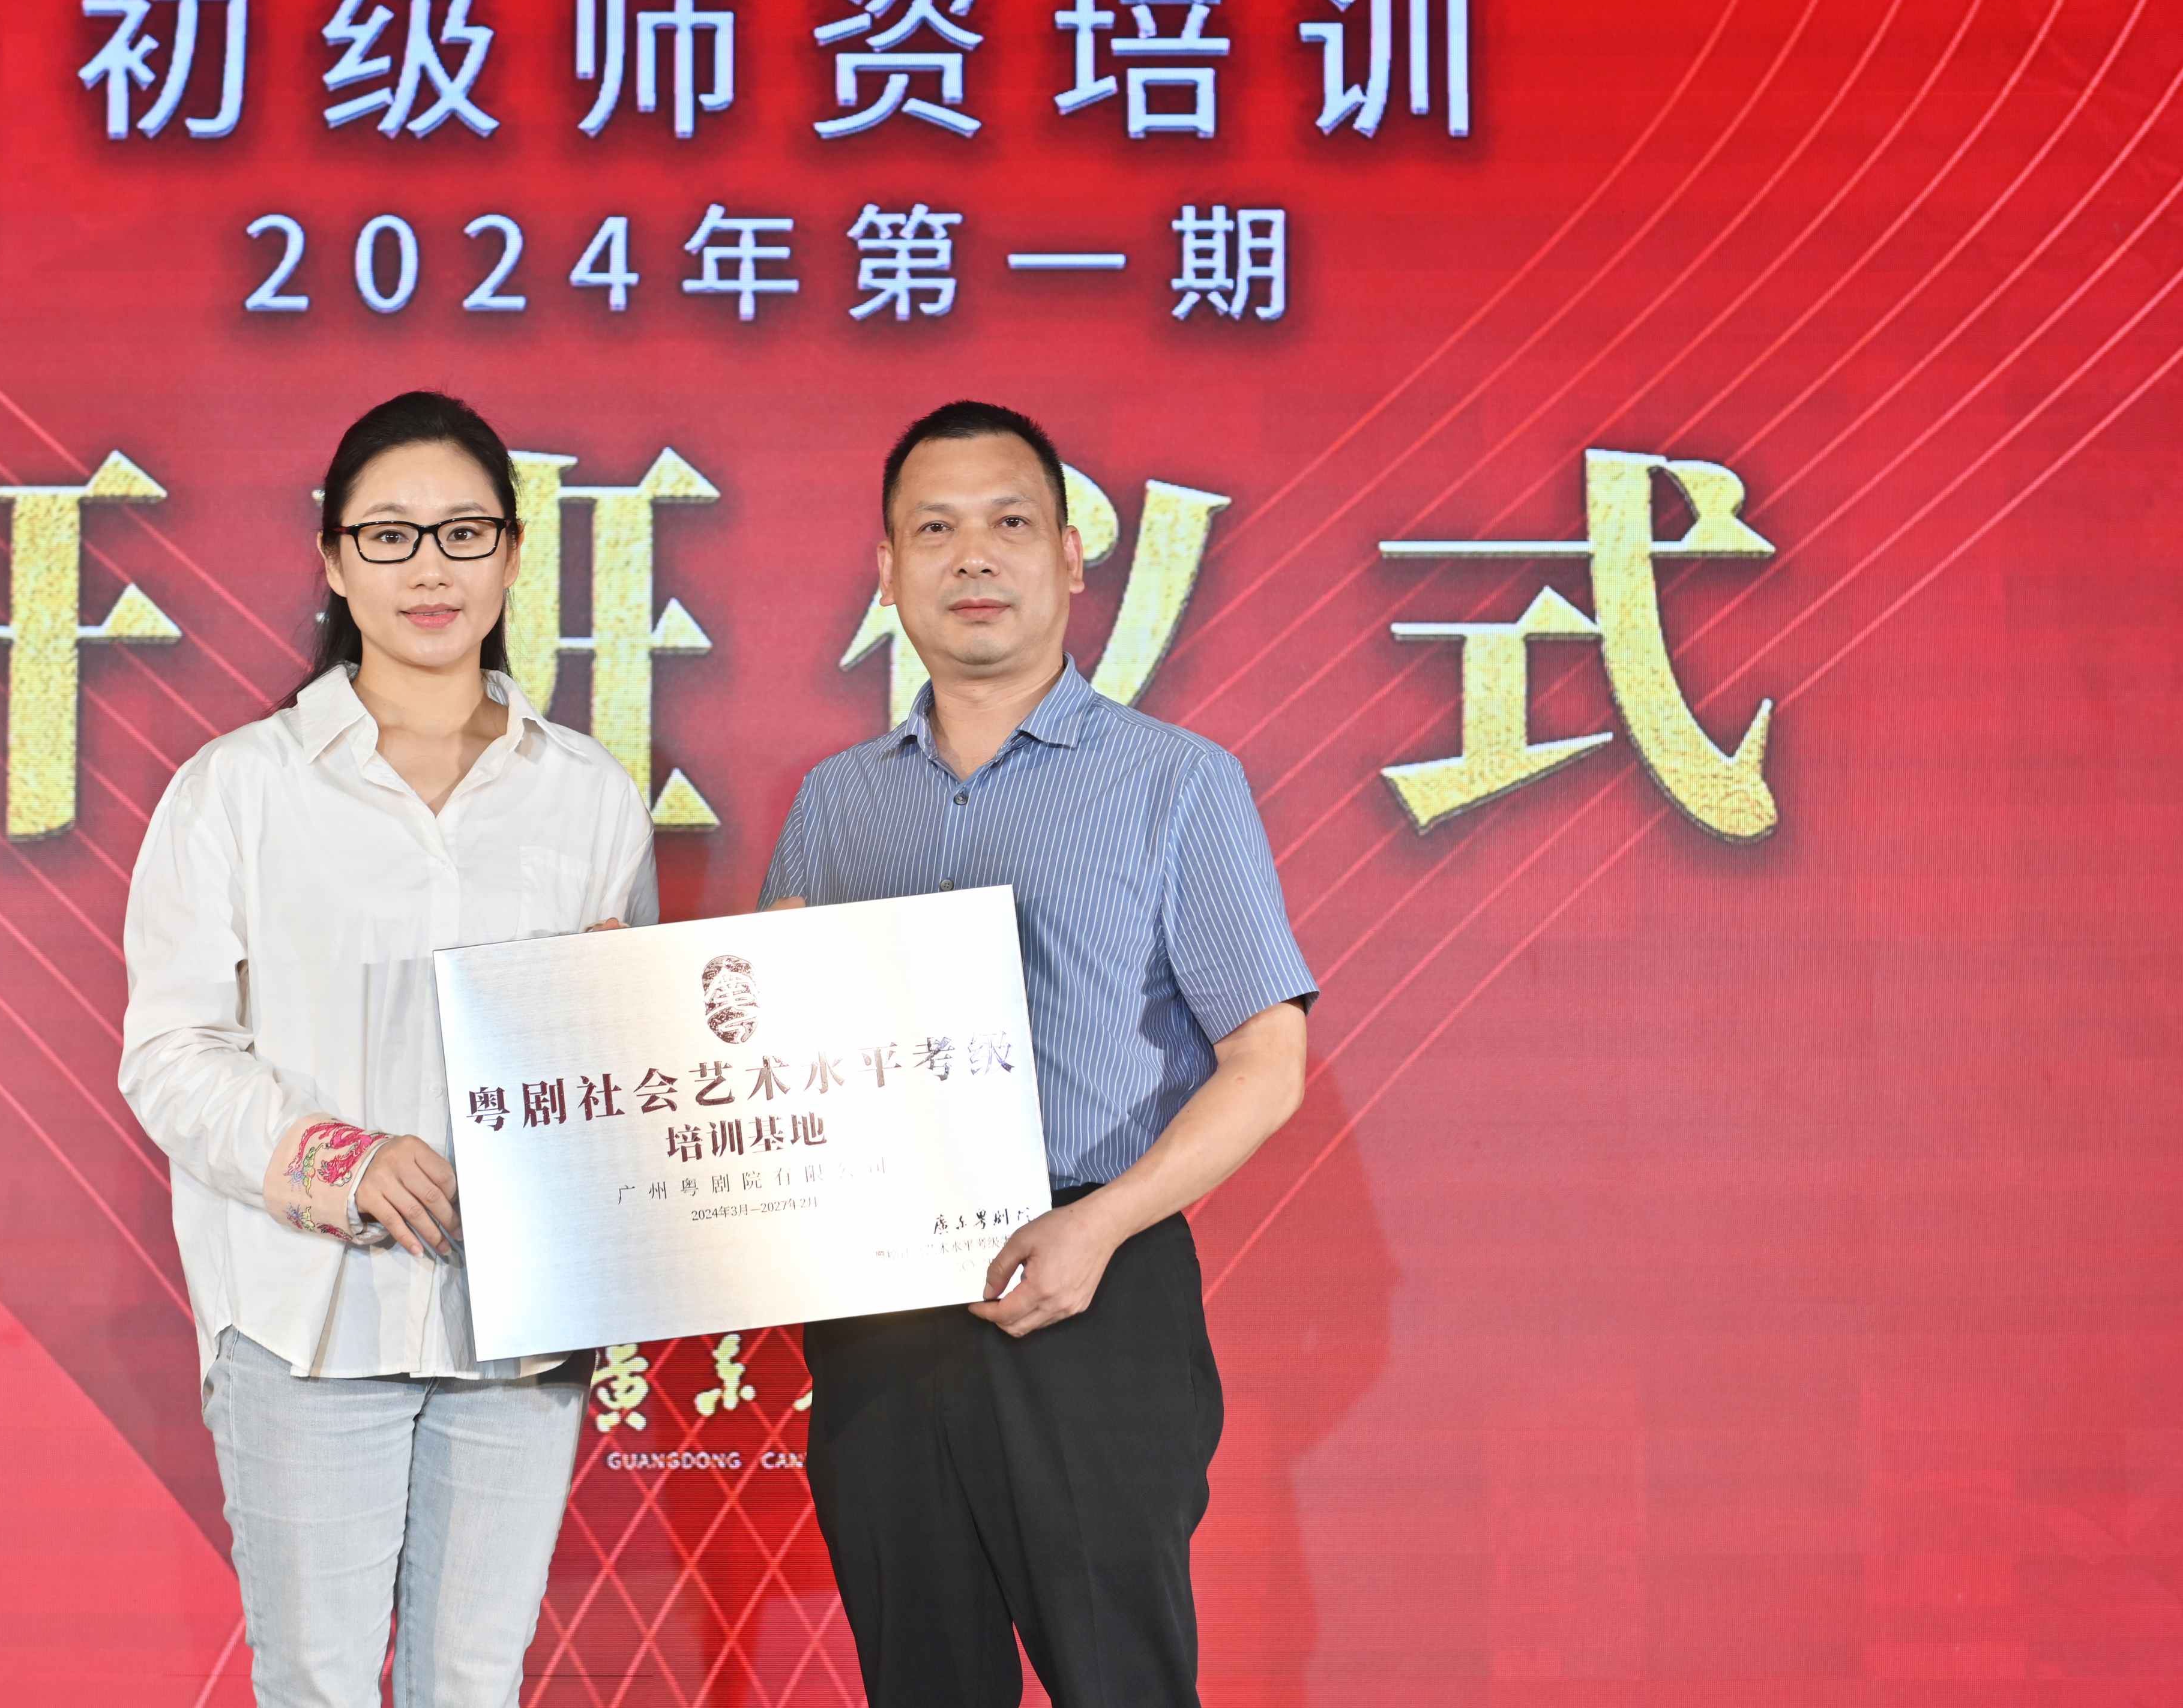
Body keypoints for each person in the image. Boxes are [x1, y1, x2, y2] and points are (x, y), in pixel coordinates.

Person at [762, 399, 1314, 1708]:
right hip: (879, 1307)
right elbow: (773, 1046)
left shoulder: (1176, 782)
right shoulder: (836, 803)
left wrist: (1099, 1228)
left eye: (1009, 523)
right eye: (933, 530)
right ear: (887, 570)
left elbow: (1266, 1059)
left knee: (1120, 1681)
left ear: (1070, 556)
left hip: (1093, 1288)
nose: (973, 556)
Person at [120, 390, 658, 1708]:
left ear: (514, 556)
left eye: (464, 532)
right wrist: (342, 1161)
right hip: (306, 1311)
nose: (430, 568)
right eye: (390, 534)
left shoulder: (587, 796)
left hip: (517, 1324)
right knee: (316, 1682)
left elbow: (625, 1061)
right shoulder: (238, 788)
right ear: (334, 560)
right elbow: (172, 1052)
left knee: (473, 1681)